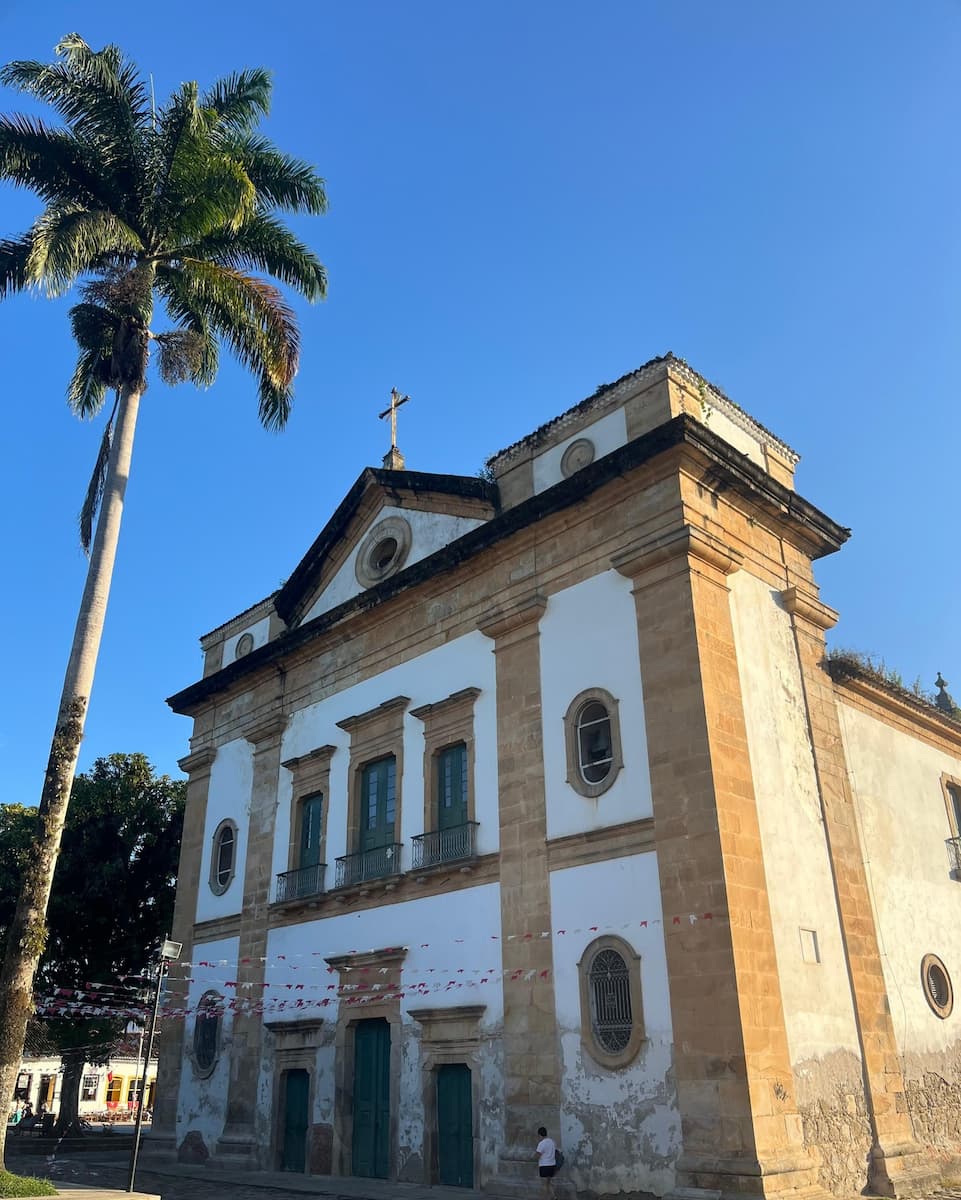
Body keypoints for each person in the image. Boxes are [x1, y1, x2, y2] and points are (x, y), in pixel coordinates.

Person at [534, 1125, 556, 1199]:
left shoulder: (541, 1143)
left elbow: (537, 1155)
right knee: (549, 1183)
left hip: (544, 1166)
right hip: (552, 1165)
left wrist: (534, 1157)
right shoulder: (552, 1141)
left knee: (544, 1185)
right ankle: (554, 1197)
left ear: (540, 1135)